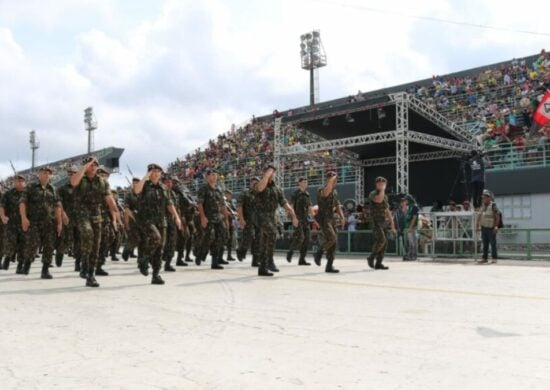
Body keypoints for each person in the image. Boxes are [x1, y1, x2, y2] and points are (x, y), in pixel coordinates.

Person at [71, 157, 119, 287]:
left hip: (96, 215)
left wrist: (116, 211)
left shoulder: (102, 182)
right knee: (87, 233)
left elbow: (109, 199)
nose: (93, 167)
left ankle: (90, 275)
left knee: (96, 246)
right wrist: (84, 167)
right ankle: (84, 262)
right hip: (82, 213)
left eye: (95, 165)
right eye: (90, 165)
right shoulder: (80, 178)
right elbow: (74, 182)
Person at [134, 163, 183, 284]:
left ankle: (155, 275)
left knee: (160, 249)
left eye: (158, 171)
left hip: (162, 220)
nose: (156, 174)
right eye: (153, 171)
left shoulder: (163, 188)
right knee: (156, 238)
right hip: (147, 220)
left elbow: (169, 203)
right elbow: (136, 190)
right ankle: (143, 259)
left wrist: (177, 217)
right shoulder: (144, 185)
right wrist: (146, 176)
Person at [254, 165, 298, 277]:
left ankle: (262, 268)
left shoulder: (277, 189)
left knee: (264, 242)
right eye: (270, 172)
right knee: (273, 233)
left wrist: (293, 216)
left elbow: (284, 203)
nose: (272, 174)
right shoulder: (258, 184)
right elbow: (260, 188)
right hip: (260, 215)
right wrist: (267, 175)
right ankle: (269, 261)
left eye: (273, 172)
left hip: (272, 217)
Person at [19, 167, 63, 279]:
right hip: (34, 222)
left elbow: (57, 206)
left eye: (49, 173)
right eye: (44, 173)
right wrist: (24, 218)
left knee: (49, 246)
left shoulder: (53, 189)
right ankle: (27, 262)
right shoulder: (30, 187)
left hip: (49, 222)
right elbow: (22, 203)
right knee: (32, 244)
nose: (46, 175)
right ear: (39, 175)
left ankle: (45, 270)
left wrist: (59, 222)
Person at [313, 171, 345, 273]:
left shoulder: (335, 192)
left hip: (331, 218)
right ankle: (319, 253)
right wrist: (332, 179)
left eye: (335, 179)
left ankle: (329, 266)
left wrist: (342, 217)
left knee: (334, 243)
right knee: (332, 237)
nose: (334, 180)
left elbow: (337, 205)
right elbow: (326, 192)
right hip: (323, 218)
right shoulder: (321, 189)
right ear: (327, 179)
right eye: (331, 178)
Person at [196, 168, 227, 269]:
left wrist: (225, 218)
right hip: (208, 217)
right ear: (207, 176)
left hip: (218, 217)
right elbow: (199, 203)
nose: (215, 176)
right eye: (212, 174)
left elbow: (223, 205)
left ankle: (214, 262)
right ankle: (201, 253)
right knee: (209, 237)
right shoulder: (204, 188)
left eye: (216, 175)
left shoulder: (219, 189)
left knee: (220, 237)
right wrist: (203, 217)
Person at [367, 177, 397, 270]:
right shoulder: (373, 193)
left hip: (383, 221)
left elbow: (387, 211)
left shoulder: (385, 196)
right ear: (376, 184)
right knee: (382, 239)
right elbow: (378, 200)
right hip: (375, 220)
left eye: (383, 184)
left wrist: (392, 225)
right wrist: (382, 190)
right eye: (379, 183)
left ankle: (378, 263)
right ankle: (371, 257)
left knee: (385, 243)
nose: (381, 185)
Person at [0, 174, 26, 273]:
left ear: (24, 182)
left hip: (24, 224)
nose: (19, 182)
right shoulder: (8, 194)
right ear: (14, 182)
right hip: (11, 224)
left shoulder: (28, 194)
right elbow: (2, 206)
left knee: (23, 245)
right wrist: (2, 216)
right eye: (17, 181)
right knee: (9, 243)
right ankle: (7, 258)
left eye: (21, 181)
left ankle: (20, 266)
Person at [286, 177, 315, 266]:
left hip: (305, 219)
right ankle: (290, 252)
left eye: (306, 182)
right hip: (297, 218)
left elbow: (310, 207)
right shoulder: (295, 193)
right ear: (299, 183)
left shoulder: (307, 194)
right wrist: (294, 218)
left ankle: (302, 259)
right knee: (300, 237)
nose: (306, 183)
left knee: (307, 239)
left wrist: (315, 218)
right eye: (304, 182)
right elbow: (290, 206)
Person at [55, 166, 80, 270]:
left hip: (80, 218)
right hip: (68, 218)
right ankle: (60, 253)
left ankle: (78, 264)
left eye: (74, 173)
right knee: (68, 240)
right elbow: (59, 202)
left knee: (80, 241)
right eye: (70, 174)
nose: (72, 175)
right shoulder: (62, 189)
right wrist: (63, 214)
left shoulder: (82, 188)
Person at [236, 177, 260, 266]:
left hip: (258, 220)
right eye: (253, 183)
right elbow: (239, 205)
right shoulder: (245, 193)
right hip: (248, 219)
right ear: (250, 184)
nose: (255, 185)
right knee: (248, 237)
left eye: (257, 183)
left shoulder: (260, 195)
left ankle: (255, 260)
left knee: (257, 240)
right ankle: (241, 250)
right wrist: (241, 218)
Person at [476, 189, 500, 264]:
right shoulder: (482, 206)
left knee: (493, 243)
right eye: (483, 198)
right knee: (485, 243)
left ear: (489, 198)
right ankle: (484, 258)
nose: (483, 199)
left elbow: (497, 217)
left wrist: (496, 227)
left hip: (491, 228)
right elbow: (479, 216)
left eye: (485, 197)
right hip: (484, 228)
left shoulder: (493, 205)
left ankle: (494, 258)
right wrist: (477, 225)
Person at [403, 195, 419, 261]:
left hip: (412, 226)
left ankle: (413, 256)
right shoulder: (410, 206)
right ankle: (410, 255)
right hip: (408, 226)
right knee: (410, 242)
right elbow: (407, 216)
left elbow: (414, 218)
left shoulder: (414, 206)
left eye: (406, 200)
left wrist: (410, 227)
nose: (405, 201)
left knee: (413, 242)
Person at [224, 189, 237, 262]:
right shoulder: (223, 202)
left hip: (231, 222)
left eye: (230, 195)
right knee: (223, 239)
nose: (229, 196)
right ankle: (219, 257)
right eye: (228, 194)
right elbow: (223, 211)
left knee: (230, 240)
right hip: (225, 222)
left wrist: (234, 213)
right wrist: (231, 213)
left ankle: (229, 255)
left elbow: (235, 210)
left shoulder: (231, 203)